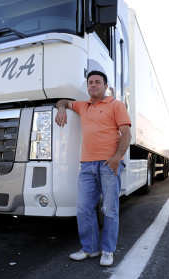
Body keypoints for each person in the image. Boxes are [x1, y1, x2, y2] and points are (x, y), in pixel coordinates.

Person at [55, 70, 131, 267]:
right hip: (87, 165)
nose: (93, 85)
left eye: (98, 82)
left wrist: (116, 159)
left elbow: (126, 134)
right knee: (83, 209)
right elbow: (62, 101)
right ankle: (90, 249)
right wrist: (62, 109)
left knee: (109, 209)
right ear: (87, 86)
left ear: (105, 87)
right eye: (90, 82)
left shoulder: (116, 105)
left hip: (108, 164)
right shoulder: (83, 106)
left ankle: (107, 250)